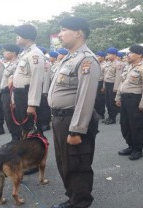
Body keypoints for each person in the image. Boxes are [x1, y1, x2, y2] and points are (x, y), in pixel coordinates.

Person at [48, 17, 99, 208]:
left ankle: (80, 203)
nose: (60, 34)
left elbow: (86, 97)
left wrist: (76, 130)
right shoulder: (69, 57)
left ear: (78, 32)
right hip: (60, 118)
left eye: (63, 30)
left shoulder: (86, 59)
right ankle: (73, 198)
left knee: (77, 165)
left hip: (73, 120)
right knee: (64, 163)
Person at [12, 24, 45, 174]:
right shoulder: (24, 53)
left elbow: (37, 80)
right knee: (24, 129)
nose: (16, 38)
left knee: (32, 130)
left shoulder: (35, 54)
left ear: (26, 37)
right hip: (20, 95)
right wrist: (13, 99)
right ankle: (27, 158)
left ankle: (35, 162)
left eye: (18, 35)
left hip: (27, 95)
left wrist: (32, 104)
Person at [116, 45, 143, 160]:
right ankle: (131, 146)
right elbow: (122, 83)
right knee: (125, 124)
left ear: (139, 55)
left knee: (136, 126)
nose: (128, 55)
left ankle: (138, 149)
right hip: (125, 98)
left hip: (136, 100)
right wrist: (118, 97)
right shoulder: (128, 67)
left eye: (131, 53)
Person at [0, 44, 22, 141]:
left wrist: (13, 100)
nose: (4, 53)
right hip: (5, 93)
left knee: (12, 117)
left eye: (6, 51)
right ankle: (14, 138)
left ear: (13, 53)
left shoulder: (17, 65)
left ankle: (17, 139)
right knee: (8, 117)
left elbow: (16, 83)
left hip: (10, 94)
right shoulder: (9, 64)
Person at [103, 47, 123, 124]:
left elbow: (118, 77)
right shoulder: (108, 63)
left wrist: (116, 88)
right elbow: (105, 76)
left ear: (114, 55)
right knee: (107, 101)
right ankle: (109, 116)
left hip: (113, 85)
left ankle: (112, 118)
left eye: (109, 54)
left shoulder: (118, 64)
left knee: (112, 102)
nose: (107, 55)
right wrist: (104, 86)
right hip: (107, 84)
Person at [95, 51, 107, 119]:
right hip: (96, 82)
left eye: (98, 56)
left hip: (101, 82)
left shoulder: (105, 65)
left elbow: (105, 77)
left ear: (103, 57)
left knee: (100, 99)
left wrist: (103, 86)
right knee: (95, 99)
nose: (97, 57)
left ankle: (101, 113)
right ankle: (96, 112)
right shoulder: (97, 64)